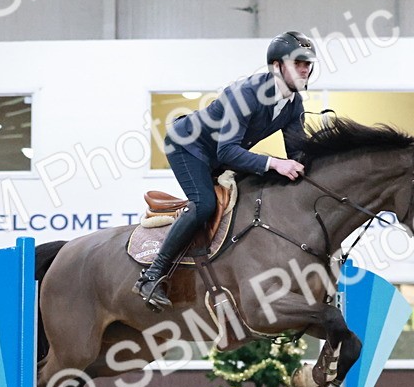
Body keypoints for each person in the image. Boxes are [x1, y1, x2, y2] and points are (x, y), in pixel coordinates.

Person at [134, 31, 317, 310]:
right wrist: (275, 163)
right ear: (277, 66)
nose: (305, 69)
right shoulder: (246, 94)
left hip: (221, 153)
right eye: (298, 63)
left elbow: (297, 156)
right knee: (204, 204)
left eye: (308, 64)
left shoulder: (294, 105)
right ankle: (151, 276)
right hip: (187, 146)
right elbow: (227, 152)